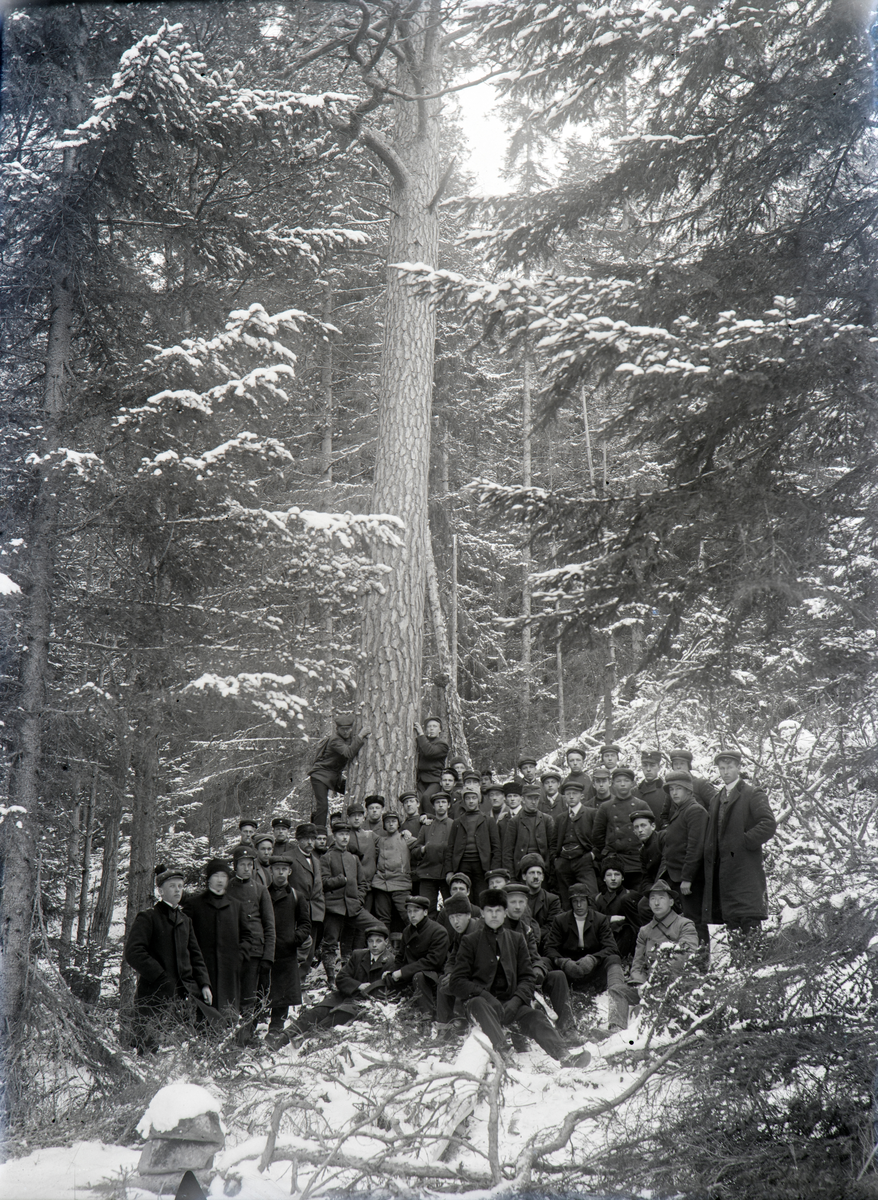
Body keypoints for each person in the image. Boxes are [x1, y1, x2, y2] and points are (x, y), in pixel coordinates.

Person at [447, 889, 590, 1068]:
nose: (493, 915)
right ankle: (505, 1056)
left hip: (511, 1004)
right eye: (489, 911)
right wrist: (486, 996)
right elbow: (457, 982)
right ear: (482, 913)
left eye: (498, 910)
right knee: (478, 1003)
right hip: (481, 1006)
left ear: (505, 912)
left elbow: (528, 977)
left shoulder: (517, 940)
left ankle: (564, 1055)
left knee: (536, 1016)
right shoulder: (470, 942)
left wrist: (516, 1001)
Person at [124, 865, 213, 1053]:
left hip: (184, 996)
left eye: (180, 886)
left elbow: (196, 956)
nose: (177, 890)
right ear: (160, 890)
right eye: (172, 886)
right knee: (149, 1048)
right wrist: (160, 976)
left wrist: (204, 984)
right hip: (154, 995)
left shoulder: (185, 921)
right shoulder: (148, 918)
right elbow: (133, 952)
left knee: (180, 1049)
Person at [702, 751, 776, 948]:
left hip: (746, 872)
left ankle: (756, 973)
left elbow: (768, 824)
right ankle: (739, 973)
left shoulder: (752, 793)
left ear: (738, 768)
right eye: (722, 768)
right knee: (732, 926)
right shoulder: (716, 799)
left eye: (730, 767)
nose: (725, 772)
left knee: (750, 925)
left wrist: (742, 843)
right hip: (725, 876)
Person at [544, 884, 630, 1033]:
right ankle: (565, 1027)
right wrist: (563, 962)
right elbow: (549, 948)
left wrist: (593, 959)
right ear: (570, 903)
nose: (578, 905)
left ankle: (617, 1022)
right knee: (545, 962)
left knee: (614, 959)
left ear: (588, 901)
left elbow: (611, 947)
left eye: (582, 900)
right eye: (575, 901)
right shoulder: (561, 920)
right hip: (568, 973)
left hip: (594, 972)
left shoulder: (600, 919)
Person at [183, 858, 256, 1020]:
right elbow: (184, 937)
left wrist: (239, 957)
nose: (220, 880)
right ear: (208, 878)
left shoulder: (236, 906)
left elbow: (247, 935)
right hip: (203, 972)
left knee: (227, 1016)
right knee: (203, 1018)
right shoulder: (195, 905)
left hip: (229, 972)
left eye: (223, 876)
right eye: (216, 876)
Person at [292, 921, 397, 1034]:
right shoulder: (358, 955)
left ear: (386, 942)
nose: (374, 945)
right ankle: (283, 1038)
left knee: (336, 1017)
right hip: (343, 995)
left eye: (379, 941)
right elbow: (341, 978)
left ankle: (306, 1037)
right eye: (371, 941)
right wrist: (359, 986)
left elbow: (385, 989)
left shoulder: (392, 961)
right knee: (315, 1012)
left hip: (361, 1003)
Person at [621, 880, 698, 1010]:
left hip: (676, 984)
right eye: (652, 899)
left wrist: (658, 978)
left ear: (671, 902)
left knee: (644, 1010)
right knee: (617, 991)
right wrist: (640, 983)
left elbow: (688, 955)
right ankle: (616, 1027)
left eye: (661, 898)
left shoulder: (684, 925)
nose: (656, 903)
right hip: (647, 985)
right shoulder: (645, 931)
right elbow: (637, 964)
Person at [227, 843, 276, 1044]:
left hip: (255, 951)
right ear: (235, 866)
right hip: (231, 951)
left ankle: (245, 1038)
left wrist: (268, 956)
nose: (247, 868)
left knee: (249, 997)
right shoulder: (227, 888)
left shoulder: (260, 890)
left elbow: (269, 925)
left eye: (250, 865)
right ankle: (227, 1038)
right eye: (242, 864)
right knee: (230, 997)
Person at [660, 771, 709, 958]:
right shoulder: (680, 810)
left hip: (690, 878)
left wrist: (687, 878)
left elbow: (695, 847)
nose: (674, 793)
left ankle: (701, 962)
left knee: (695, 921)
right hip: (677, 876)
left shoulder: (695, 811)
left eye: (678, 788)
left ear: (689, 790)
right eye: (671, 789)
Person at [319, 820, 374, 985]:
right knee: (330, 942)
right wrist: (340, 880)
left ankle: (346, 975)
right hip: (334, 907)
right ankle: (330, 978)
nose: (344, 838)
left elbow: (363, 883)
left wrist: (359, 898)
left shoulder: (353, 858)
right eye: (341, 834)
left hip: (352, 907)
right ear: (334, 837)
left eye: (346, 834)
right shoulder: (326, 857)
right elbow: (323, 882)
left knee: (350, 943)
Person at [266, 854, 311, 1047]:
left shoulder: (296, 896)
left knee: (283, 991)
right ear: (271, 871)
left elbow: (305, 924)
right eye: (277, 869)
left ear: (290, 872)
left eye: (284, 869)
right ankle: (254, 1024)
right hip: (265, 952)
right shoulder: (263, 894)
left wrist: (295, 939)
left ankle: (276, 1028)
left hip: (286, 952)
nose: (281, 873)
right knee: (263, 988)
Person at [384, 895, 449, 1015]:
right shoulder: (407, 931)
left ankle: (427, 1016)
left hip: (432, 974)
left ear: (425, 912)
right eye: (409, 911)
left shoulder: (438, 931)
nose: (412, 915)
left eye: (416, 911)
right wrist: (392, 971)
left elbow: (433, 961)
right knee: (386, 979)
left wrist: (403, 972)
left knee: (419, 976)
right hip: (411, 971)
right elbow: (400, 957)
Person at [307, 713, 371, 830]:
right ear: (337, 729)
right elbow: (349, 753)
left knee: (353, 789)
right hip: (320, 776)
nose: (346, 732)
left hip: (334, 777)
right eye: (343, 729)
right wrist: (361, 735)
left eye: (349, 729)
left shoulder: (347, 738)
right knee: (323, 806)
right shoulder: (335, 740)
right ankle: (318, 832)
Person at [443, 783, 501, 902]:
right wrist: (449, 871)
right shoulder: (457, 822)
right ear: (463, 800)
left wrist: (493, 870)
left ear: (479, 799)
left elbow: (496, 848)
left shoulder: (488, 821)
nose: (471, 801)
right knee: (464, 898)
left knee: (482, 897)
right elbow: (450, 848)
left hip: (482, 866)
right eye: (468, 798)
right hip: (462, 865)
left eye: (474, 798)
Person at [591, 768, 644, 889]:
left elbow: (649, 834)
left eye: (626, 780)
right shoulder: (606, 807)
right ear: (613, 784)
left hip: (635, 861)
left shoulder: (641, 805)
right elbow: (597, 835)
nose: (623, 784)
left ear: (632, 783)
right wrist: (608, 852)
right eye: (619, 781)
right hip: (614, 861)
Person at [552, 779, 599, 906]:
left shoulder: (591, 813)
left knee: (591, 895)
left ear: (581, 796)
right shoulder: (560, 818)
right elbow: (554, 842)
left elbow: (600, 839)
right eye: (568, 794)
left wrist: (592, 855)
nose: (571, 796)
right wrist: (557, 860)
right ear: (564, 796)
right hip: (563, 863)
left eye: (575, 793)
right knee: (566, 900)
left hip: (584, 861)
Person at [289, 823, 325, 973]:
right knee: (296, 952)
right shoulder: (288, 857)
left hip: (315, 912)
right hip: (296, 912)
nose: (310, 842)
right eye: (306, 839)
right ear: (298, 839)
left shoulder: (316, 860)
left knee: (309, 953)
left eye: (312, 838)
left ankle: (302, 983)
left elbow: (319, 887)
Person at [410, 791, 453, 917]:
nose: (440, 805)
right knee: (426, 910)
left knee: (451, 909)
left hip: (446, 874)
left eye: (443, 802)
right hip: (427, 874)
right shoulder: (426, 827)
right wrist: (423, 849)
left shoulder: (454, 825)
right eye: (437, 803)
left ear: (448, 805)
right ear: (433, 807)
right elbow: (415, 851)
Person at [370, 809, 412, 931]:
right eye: (388, 822)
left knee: (408, 915)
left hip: (401, 883)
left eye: (394, 821)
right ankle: (384, 945)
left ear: (398, 824)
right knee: (383, 917)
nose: (391, 824)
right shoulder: (380, 841)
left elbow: (420, 849)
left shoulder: (406, 838)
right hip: (381, 884)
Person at [593, 855, 641, 959]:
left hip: (624, 942)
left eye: (617, 874)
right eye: (609, 875)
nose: (613, 878)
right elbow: (591, 920)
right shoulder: (597, 899)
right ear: (604, 879)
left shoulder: (630, 895)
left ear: (623, 877)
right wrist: (610, 918)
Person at [502, 784, 555, 879]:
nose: (533, 802)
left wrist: (550, 873)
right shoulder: (514, 822)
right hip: (522, 870)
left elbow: (553, 849)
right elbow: (508, 852)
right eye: (530, 798)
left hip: (542, 869)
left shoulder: (547, 820)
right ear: (523, 799)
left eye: (536, 798)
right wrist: (512, 877)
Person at [519, 853, 561, 947]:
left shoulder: (552, 900)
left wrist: (532, 937)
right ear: (524, 876)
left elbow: (552, 926)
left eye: (539, 873)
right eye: (531, 873)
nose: (536, 877)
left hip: (543, 945)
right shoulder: (518, 900)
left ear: (542, 877)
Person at [414, 716, 449, 810]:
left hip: (435, 780)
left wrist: (420, 734)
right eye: (429, 726)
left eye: (435, 726)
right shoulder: (421, 741)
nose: (432, 728)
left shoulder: (442, 745)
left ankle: (430, 819)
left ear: (440, 730)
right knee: (418, 801)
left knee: (427, 798)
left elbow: (429, 751)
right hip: (420, 779)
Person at [636, 751, 666, 827]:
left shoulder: (666, 791)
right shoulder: (634, 791)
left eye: (652, 765)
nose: (648, 769)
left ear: (659, 767)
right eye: (645, 765)